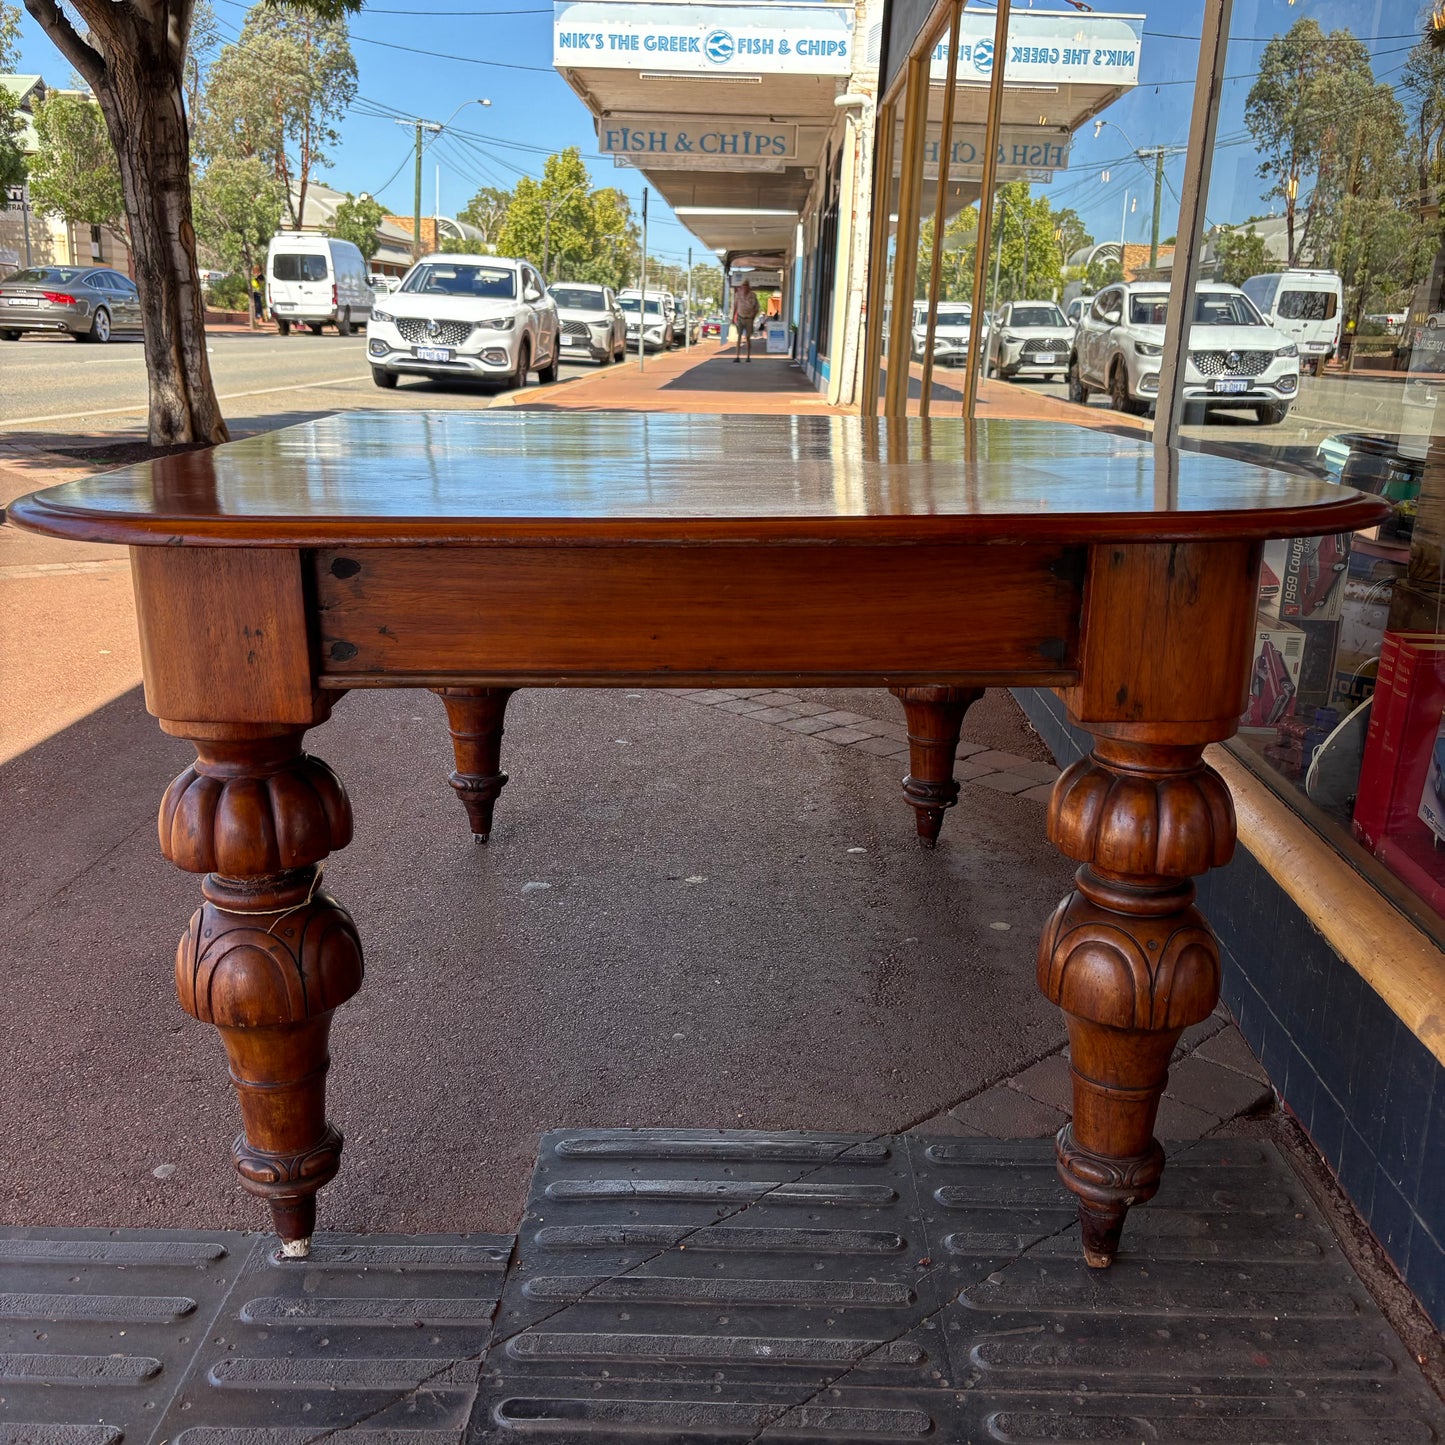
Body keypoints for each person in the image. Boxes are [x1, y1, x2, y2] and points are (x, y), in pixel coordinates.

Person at [732, 280, 759, 363]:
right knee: (739, 337)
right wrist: (733, 317)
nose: (744, 287)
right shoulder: (738, 295)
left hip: (749, 319)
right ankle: (737, 356)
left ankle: (748, 356)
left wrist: (753, 317)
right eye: (743, 285)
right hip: (740, 317)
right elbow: (735, 306)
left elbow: (756, 308)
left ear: (749, 287)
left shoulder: (753, 295)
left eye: (746, 285)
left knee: (747, 338)